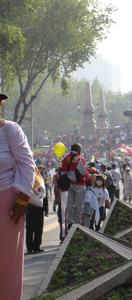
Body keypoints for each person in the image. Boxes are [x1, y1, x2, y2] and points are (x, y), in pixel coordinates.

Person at [0, 93, 36, 299]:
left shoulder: (10, 130)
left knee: (7, 261)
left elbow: (27, 164)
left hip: (7, 201)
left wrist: (22, 199)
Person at [61, 143, 89, 227]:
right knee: (79, 204)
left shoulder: (66, 158)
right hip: (79, 184)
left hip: (69, 183)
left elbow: (63, 170)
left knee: (70, 203)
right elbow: (84, 172)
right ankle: (77, 222)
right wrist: (88, 176)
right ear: (78, 150)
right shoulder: (79, 159)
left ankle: (70, 222)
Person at [25, 166, 49, 254]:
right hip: (30, 207)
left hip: (40, 208)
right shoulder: (28, 179)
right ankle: (30, 248)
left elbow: (44, 196)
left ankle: (37, 246)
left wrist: (46, 208)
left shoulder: (41, 180)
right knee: (30, 228)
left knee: (39, 228)